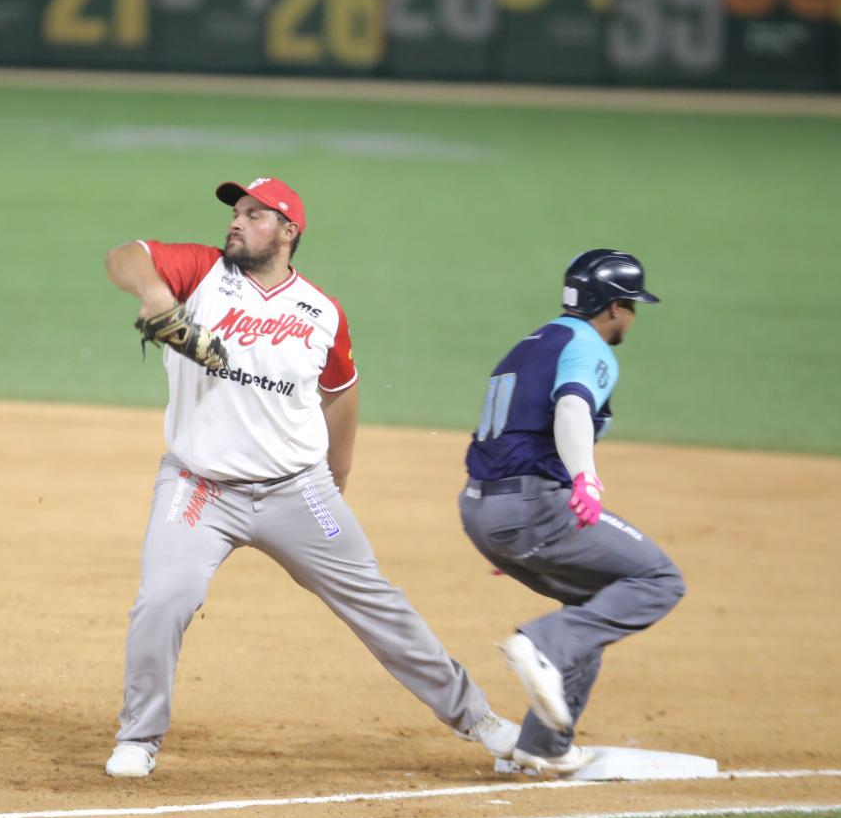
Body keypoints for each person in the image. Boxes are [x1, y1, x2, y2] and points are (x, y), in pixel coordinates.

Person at [102, 176, 520, 778]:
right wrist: (156, 296)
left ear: (288, 230)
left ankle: (480, 720)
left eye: (253, 214)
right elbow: (126, 256)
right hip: (200, 488)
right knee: (165, 600)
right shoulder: (201, 273)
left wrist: (336, 478)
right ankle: (139, 738)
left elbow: (341, 395)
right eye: (235, 213)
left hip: (297, 491)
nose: (237, 223)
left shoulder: (322, 312)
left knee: (376, 603)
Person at [459, 249, 686, 778]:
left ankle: (545, 745)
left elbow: (507, 430)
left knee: (591, 598)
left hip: (485, 507)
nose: (632, 318)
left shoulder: (530, 344)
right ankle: (542, 645)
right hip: (529, 506)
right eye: (632, 306)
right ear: (613, 307)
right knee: (660, 578)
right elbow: (572, 407)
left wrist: (507, 532)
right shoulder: (589, 347)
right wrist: (585, 477)